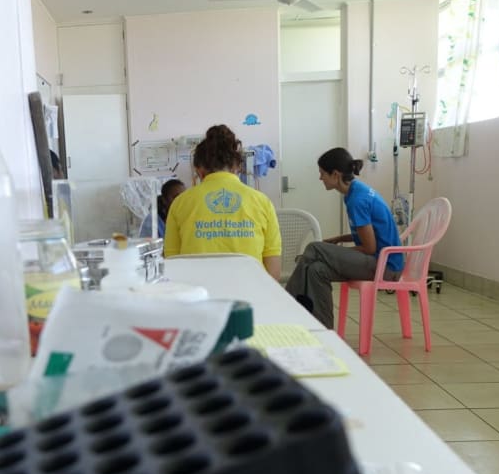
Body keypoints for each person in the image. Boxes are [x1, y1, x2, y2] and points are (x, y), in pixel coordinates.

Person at [285, 147, 403, 329]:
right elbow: (366, 235)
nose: (320, 178)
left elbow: (369, 247)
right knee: (316, 270)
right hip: (379, 261)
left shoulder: (357, 200)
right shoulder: (355, 192)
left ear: (335, 174)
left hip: (385, 266)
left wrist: (335, 252)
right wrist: (336, 240)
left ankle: (286, 303)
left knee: (314, 248)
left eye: (322, 173)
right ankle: (324, 329)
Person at [164, 125, 282, 279]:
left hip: (198, 291)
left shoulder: (180, 203)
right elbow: (273, 272)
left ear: (198, 170)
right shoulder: (262, 202)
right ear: (238, 167)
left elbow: (172, 264)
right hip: (251, 290)